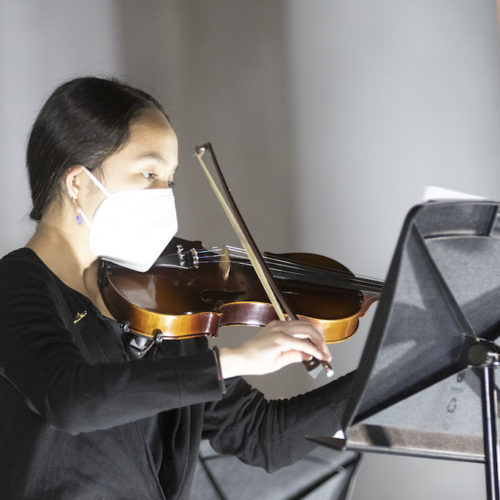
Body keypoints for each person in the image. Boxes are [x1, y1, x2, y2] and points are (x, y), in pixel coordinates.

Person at [0, 77, 353, 499]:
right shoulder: (16, 284)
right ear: (78, 182)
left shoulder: (159, 304)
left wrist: (393, 374)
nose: (164, 196)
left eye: (169, 180)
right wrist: (231, 361)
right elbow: (71, 399)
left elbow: (265, 435)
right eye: (148, 173)